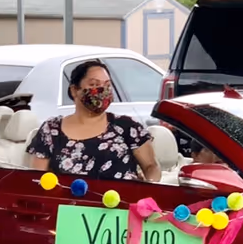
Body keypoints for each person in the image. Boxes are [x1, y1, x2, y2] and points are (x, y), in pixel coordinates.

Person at [27, 59, 161, 182]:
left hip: (120, 205)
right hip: (69, 206)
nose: (102, 90)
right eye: (94, 84)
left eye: (107, 85)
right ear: (74, 90)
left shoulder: (128, 127)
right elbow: (37, 178)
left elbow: (151, 167)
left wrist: (147, 191)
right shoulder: (51, 129)